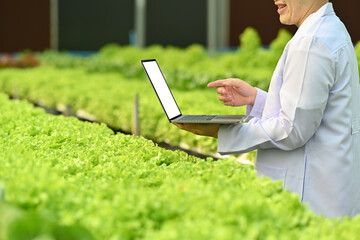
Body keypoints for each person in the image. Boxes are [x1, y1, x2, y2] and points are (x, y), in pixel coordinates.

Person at [174, 0, 360, 218]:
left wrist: (220, 131)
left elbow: (292, 129)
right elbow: (310, 111)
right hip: (330, 189)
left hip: (310, 197)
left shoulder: (311, 42)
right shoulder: (331, 28)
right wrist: (256, 98)